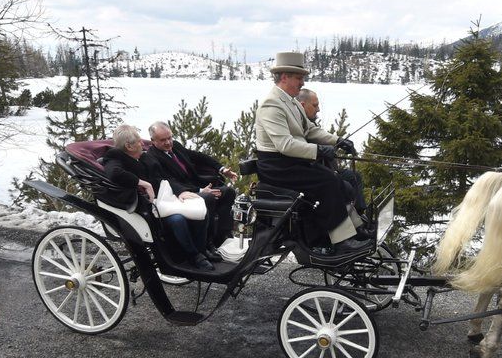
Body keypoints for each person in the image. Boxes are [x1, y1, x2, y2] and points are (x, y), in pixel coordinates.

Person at [255, 51, 369, 253]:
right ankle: (340, 242)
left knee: (338, 181)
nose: (302, 82)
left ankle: (354, 230)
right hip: (277, 167)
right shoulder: (271, 104)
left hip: (291, 163)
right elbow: (285, 145)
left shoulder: (290, 101)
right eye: (299, 78)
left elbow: (310, 130)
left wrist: (338, 141)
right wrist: (319, 150)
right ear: (284, 77)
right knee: (329, 182)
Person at [102, 125, 213, 271]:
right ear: (128, 146)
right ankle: (194, 255)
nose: (143, 143)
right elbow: (114, 173)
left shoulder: (144, 155)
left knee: (199, 206)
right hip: (146, 206)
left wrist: (180, 192)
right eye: (138, 141)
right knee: (177, 219)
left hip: (166, 197)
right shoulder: (114, 157)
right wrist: (143, 184)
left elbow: (164, 178)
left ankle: (201, 249)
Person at [142, 121, 238, 261]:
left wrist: (222, 169)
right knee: (208, 198)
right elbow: (167, 182)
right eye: (163, 140)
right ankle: (207, 244)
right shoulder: (152, 158)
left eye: (170, 137)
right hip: (177, 195)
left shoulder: (176, 147)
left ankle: (222, 236)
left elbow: (199, 156)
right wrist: (199, 190)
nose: (168, 142)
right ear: (153, 141)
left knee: (228, 192)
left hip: (194, 185)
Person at [296, 88, 366, 213]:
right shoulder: (296, 123)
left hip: (327, 170)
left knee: (354, 177)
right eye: (315, 105)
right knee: (346, 184)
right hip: (311, 173)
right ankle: (345, 220)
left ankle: (359, 215)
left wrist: (339, 141)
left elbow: (319, 134)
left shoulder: (308, 122)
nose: (318, 109)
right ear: (302, 105)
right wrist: (322, 150)